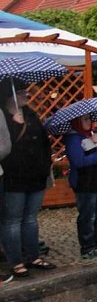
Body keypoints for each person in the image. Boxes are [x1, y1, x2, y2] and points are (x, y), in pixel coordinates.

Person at [1, 81, 55, 281]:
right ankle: (16, 261)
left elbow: (44, 143)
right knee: (12, 221)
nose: (27, 95)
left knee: (30, 219)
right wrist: (15, 122)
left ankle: (33, 256)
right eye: (22, 92)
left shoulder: (32, 115)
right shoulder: (3, 117)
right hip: (14, 178)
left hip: (35, 176)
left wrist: (44, 166)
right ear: (10, 96)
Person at [63, 115, 97, 260]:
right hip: (84, 183)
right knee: (87, 215)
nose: (88, 122)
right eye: (84, 120)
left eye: (89, 119)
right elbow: (78, 161)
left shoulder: (91, 134)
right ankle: (87, 246)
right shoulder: (74, 138)